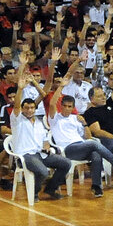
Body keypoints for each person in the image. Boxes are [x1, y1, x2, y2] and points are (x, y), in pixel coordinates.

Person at [9, 67, 71, 200]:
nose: (30, 110)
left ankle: (50, 189)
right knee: (43, 171)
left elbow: (45, 140)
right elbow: (16, 106)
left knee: (66, 163)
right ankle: (34, 192)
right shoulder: (17, 119)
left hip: (41, 153)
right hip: (25, 155)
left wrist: (47, 146)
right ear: (22, 109)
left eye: (32, 108)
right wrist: (20, 89)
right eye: (27, 108)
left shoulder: (38, 123)